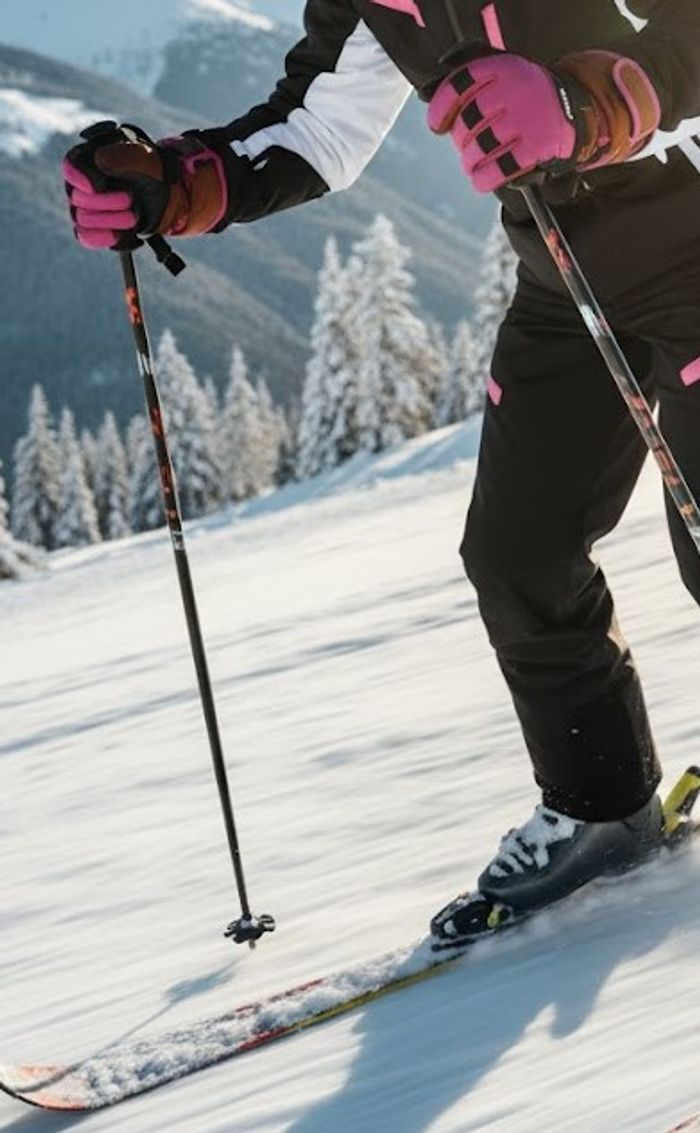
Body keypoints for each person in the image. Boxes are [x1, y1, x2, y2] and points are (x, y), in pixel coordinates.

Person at [63, 1, 700, 944]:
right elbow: (319, 126)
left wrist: (592, 100)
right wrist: (177, 185)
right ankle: (601, 806)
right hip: (564, 267)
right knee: (519, 549)